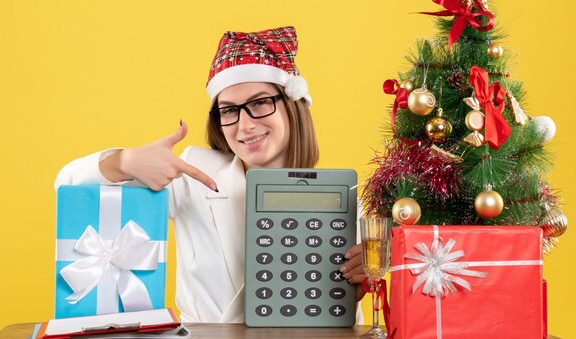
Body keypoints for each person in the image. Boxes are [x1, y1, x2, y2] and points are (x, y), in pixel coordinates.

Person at [55, 26, 366, 323]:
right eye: (229, 110)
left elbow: (348, 315)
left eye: (259, 103)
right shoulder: (193, 173)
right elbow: (67, 186)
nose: (245, 126)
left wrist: (364, 280)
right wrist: (123, 162)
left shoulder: (345, 199)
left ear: (292, 104)